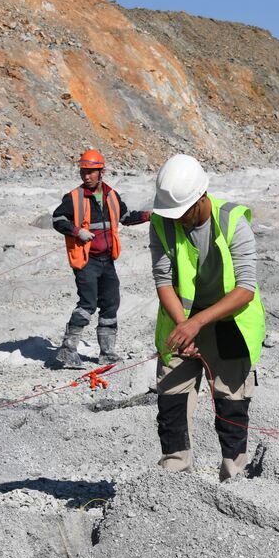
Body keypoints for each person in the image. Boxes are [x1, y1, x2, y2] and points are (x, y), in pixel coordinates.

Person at [148, 154, 266, 481]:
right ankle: (174, 475)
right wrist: (183, 325)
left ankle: (234, 476)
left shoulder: (232, 221)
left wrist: (198, 323)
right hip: (182, 318)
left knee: (231, 401)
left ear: (201, 198)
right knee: (171, 399)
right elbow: (164, 281)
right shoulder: (162, 223)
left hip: (229, 320)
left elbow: (245, 288)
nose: (178, 220)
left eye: (183, 212)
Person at [51, 149, 151, 368]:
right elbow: (57, 219)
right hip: (86, 261)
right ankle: (67, 351)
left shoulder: (111, 195)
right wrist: (77, 231)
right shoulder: (74, 198)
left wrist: (148, 216)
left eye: (90, 172)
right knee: (87, 304)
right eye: (83, 171)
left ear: (101, 172)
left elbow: (125, 217)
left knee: (110, 304)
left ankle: (107, 353)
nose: (86, 176)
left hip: (107, 260)